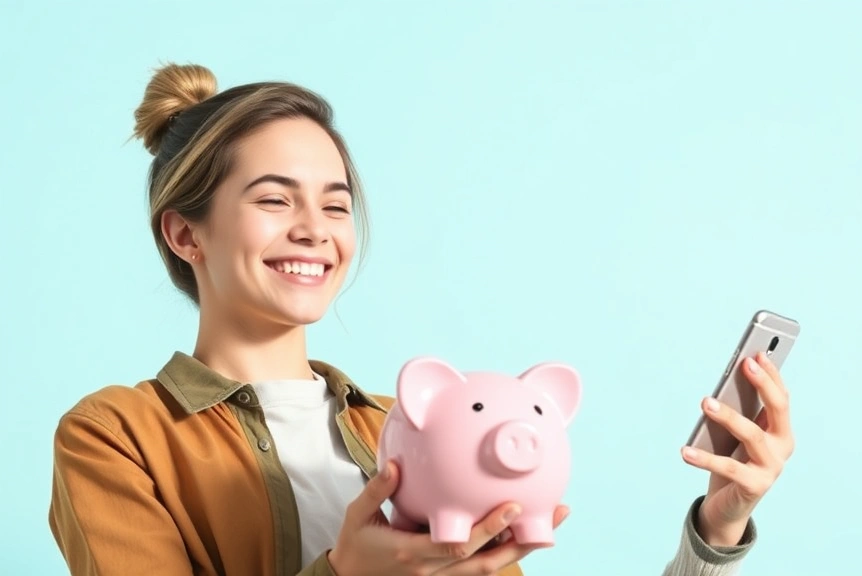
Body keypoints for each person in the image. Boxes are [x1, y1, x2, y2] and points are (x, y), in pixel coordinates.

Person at [48, 63, 795, 576]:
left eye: (336, 204)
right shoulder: (117, 436)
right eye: (275, 199)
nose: (316, 229)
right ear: (185, 234)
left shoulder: (408, 428)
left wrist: (717, 529)